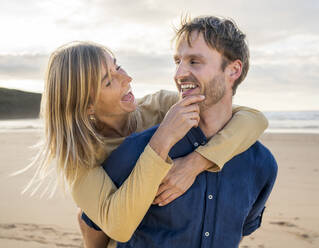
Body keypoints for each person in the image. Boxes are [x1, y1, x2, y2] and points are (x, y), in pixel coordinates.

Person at [27, 40, 268, 246]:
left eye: (118, 66)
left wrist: (195, 163)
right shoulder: (81, 158)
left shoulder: (160, 105)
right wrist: (162, 138)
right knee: (86, 217)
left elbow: (252, 119)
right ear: (87, 105)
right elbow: (118, 227)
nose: (127, 78)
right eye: (109, 81)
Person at [79, 16, 277, 248]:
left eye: (194, 61)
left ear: (233, 70)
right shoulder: (127, 153)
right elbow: (94, 226)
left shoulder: (262, 165)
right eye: (177, 62)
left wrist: (198, 162)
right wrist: (163, 140)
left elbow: (238, 231)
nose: (179, 73)